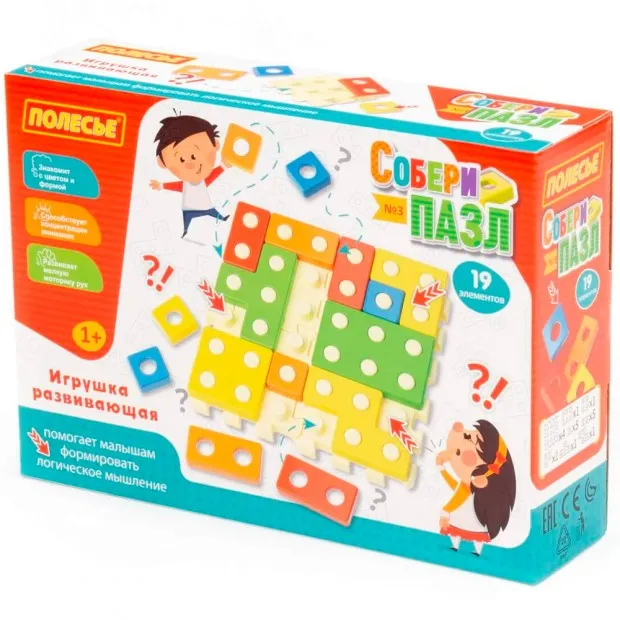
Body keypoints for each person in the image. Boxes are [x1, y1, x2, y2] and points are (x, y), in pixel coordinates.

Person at [436, 420, 516, 556]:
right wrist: (442, 470)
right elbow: (455, 487)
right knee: (466, 534)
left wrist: (445, 511)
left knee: (465, 533)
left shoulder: (471, 486)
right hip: (466, 518)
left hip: (469, 518)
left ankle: (465, 549)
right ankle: (464, 549)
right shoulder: (467, 484)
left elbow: (457, 497)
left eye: (458, 452)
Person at [150, 114, 230, 238]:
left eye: (193, 156)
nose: (189, 164)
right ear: (162, 162)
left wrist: (223, 166)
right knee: (188, 219)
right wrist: (161, 185)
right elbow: (177, 186)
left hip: (204, 205)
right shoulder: (186, 184)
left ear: (215, 144)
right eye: (181, 159)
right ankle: (185, 231)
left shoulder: (201, 181)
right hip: (189, 207)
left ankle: (222, 218)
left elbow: (211, 177)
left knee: (212, 212)